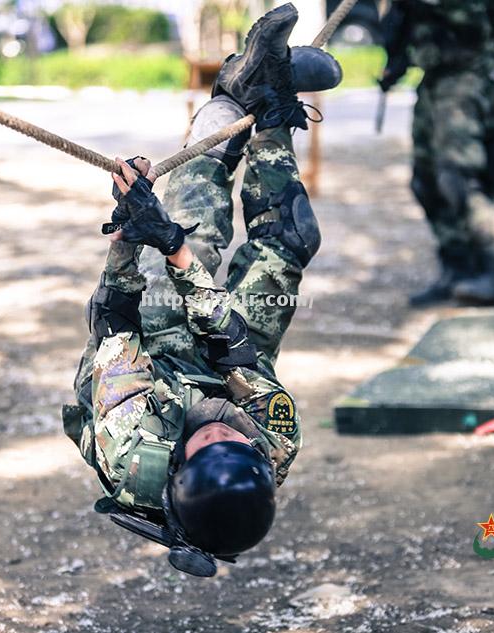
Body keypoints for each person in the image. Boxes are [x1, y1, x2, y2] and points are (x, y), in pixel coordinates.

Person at [62, 3, 341, 576]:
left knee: (197, 229)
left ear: (180, 467)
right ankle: (264, 101)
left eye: (207, 443)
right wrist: (176, 251)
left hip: (150, 360)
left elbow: (115, 322)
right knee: (290, 238)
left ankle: (225, 107)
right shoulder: (276, 441)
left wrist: (136, 233)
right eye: (233, 440)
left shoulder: (133, 447)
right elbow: (233, 349)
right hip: (229, 364)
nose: (220, 432)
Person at [378, 0, 494, 307]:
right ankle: (456, 266)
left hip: (472, 75)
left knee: (459, 178)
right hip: (434, 77)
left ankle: (490, 267)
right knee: (424, 181)